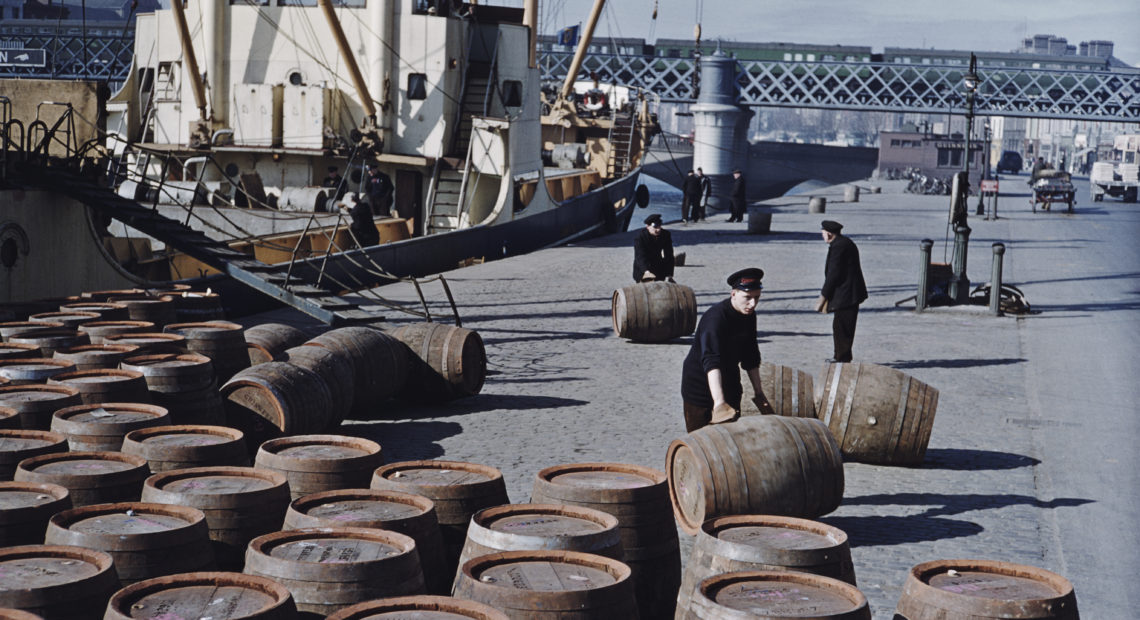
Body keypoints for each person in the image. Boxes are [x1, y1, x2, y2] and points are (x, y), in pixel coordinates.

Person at [680, 268, 775, 432]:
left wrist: (759, 393)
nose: (752, 304)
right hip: (699, 388)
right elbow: (711, 362)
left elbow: (750, 356)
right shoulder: (715, 319)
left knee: (731, 442)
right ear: (734, 294)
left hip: (730, 383)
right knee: (701, 445)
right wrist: (718, 403)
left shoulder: (749, 315)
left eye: (756, 298)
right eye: (747, 298)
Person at [816, 220, 867, 363]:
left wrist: (824, 295)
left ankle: (842, 358)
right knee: (840, 326)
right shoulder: (841, 243)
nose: (822, 236)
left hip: (847, 293)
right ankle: (839, 355)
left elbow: (834, 273)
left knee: (843, 327)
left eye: (823, 233)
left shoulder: (840, 247)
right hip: (847, 292)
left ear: (829, 234)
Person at [632, 213, 674, 282]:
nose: (658, 230)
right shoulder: (640, 237)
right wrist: (646, 272)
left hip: (658, 266)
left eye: (659, 226)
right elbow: (640, 256)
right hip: (642, 269)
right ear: (647, 226)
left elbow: (669, 255)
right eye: (655, 227)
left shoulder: (665, 235)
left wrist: (669, 274)